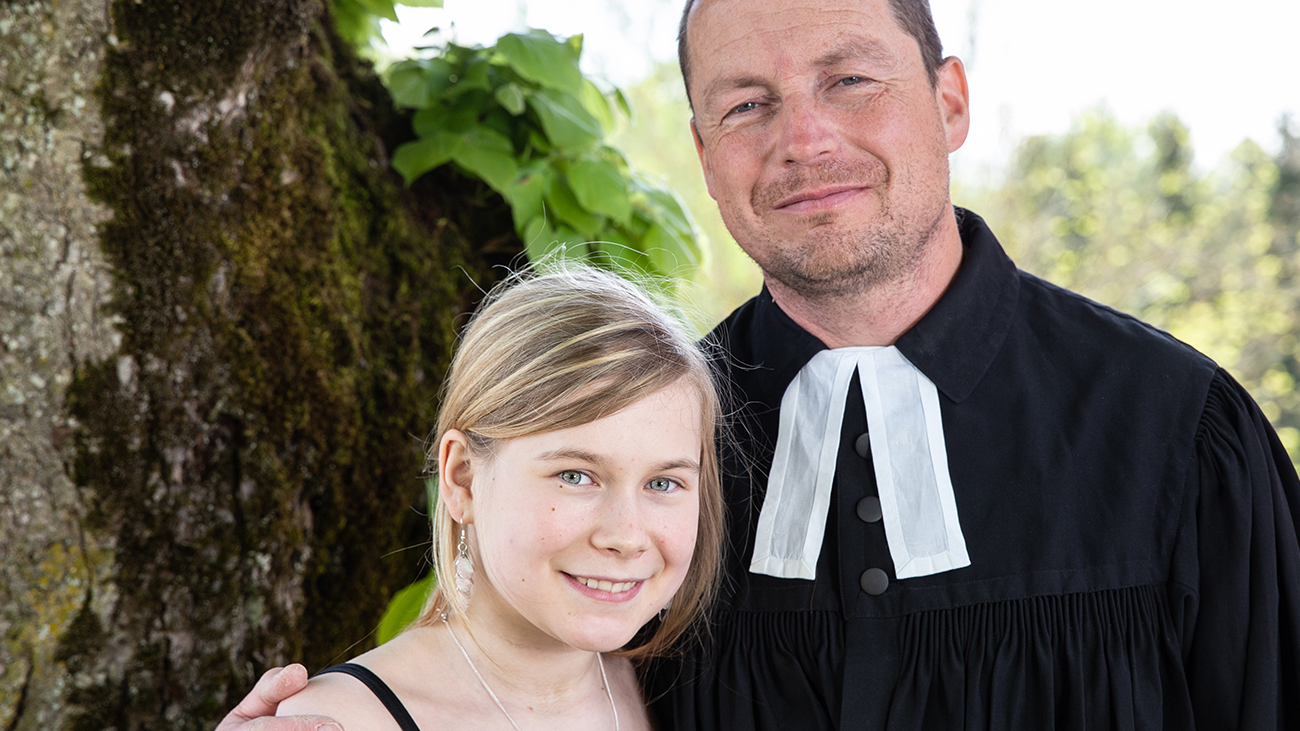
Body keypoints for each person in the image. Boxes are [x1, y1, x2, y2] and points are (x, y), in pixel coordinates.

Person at [222, 0, 1300, 728]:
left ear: (951, 101)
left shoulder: (1180, 432)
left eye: (850, 79)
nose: (804, 139)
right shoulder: (648, 440)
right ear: (701, 149)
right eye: (746, 103)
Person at [229, 266, 724, 731]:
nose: (626, 536)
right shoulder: (343, 721)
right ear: (462, 478)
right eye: (575, 475)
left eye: (663, 483)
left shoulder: (686, 695)